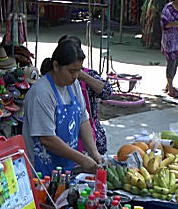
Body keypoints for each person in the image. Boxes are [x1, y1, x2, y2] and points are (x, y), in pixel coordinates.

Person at [23, 40, 103, 176]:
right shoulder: (41, 92)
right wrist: (82, 159)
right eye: (71, 71)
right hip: (41, 172)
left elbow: (83, 120)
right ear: (56, 66)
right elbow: (46, 138)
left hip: (65, 168)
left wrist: (94, 153)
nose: (75, 76)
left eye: (78, 71)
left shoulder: (74, 85)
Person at [57, 35, 113, 155]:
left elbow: (107, 92)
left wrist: (82, 75)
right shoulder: (53, 82)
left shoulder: (86, 76)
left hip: (90, 136)